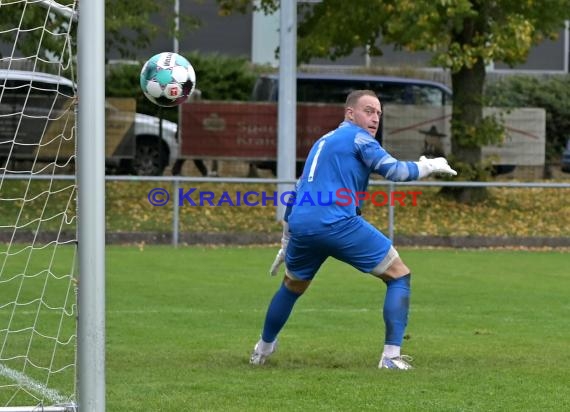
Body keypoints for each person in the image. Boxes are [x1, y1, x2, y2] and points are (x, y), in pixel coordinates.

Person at [250, 90, 457, 369]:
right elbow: (395, 171)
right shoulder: (360, 138)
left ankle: (261, 350)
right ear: (350, 114)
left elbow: (298, 190)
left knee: (292, 286)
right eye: (369, 111)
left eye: (379, 114)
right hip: (337, 222)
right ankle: (391, 358)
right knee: (399, 275)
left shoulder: (322, 142)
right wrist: (429, 165)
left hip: (302, 224)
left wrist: (287, 239)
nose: (375, 119)